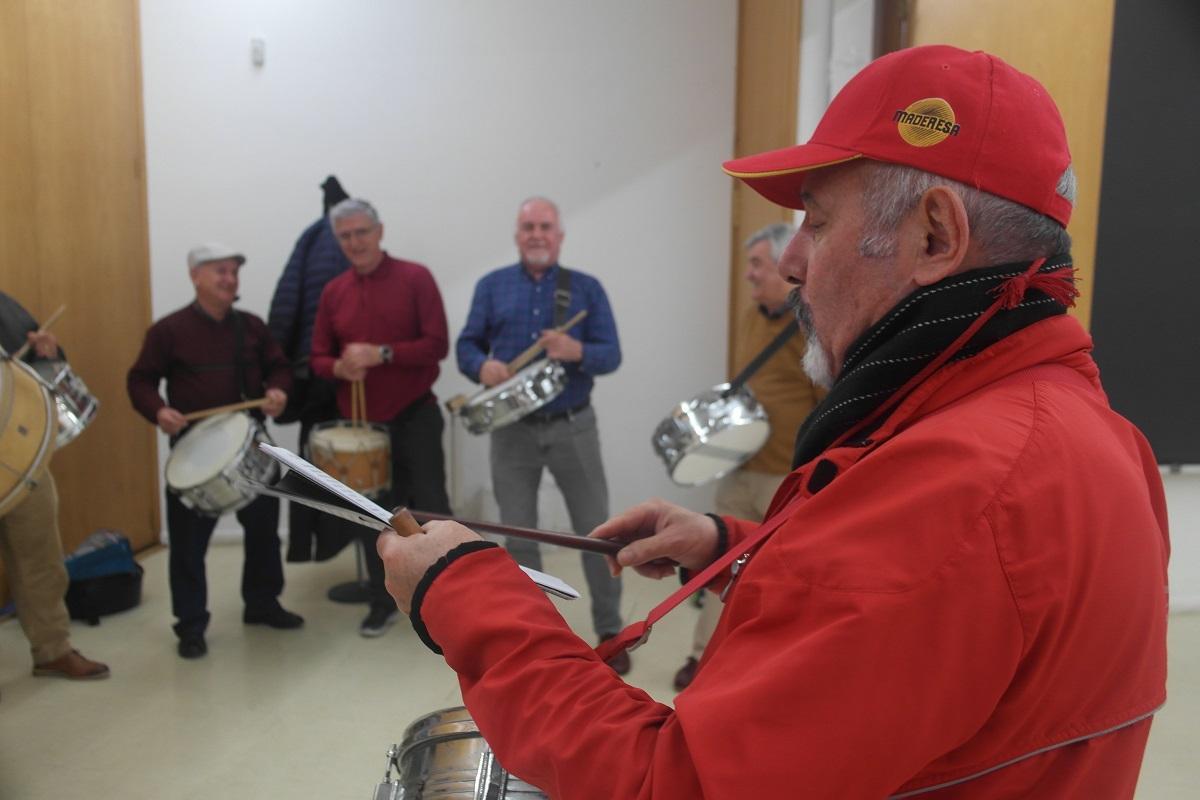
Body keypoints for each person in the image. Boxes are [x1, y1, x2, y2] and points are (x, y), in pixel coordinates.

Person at [376, 46, 1170, 798]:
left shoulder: (962, 486)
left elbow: (675, 784)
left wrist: (463, 593)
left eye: (817, 222)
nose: (790, 262)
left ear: (934, 235)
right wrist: (733, 551)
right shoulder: (1094, 439)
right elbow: (915, 649)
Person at [455, 197, 628, 674]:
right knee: (519, 533)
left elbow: (611, 354)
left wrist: (577, 350)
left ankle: (611, 631)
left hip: (574, 425)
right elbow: (465, 345)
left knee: (596, 532)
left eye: (545, 227)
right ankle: (535, 634)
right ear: (517, 235)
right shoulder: (491, 287)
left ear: (559, 236)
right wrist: (480, 366)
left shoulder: (586, 290)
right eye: (528, 226)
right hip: (512, 433)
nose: (536, 234)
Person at [127, 243, 302, 660]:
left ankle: (262, 603)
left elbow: (280, 367)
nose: (229, 279)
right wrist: (159, 411)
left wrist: (278, 390)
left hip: (251, 444)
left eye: (233, 272)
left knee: (263, 528)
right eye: (220, 271)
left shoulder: (252, 327)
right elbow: (140, 381)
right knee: (188, 544)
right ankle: (190, 624)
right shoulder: (167, 331)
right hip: (194, 451)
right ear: (196, 276)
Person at [672, 222, 824, 690]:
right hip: (739, 466)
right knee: (721, 567)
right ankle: (702, 656)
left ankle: (775, 664)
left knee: (783, 575)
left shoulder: (815, 320)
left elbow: (825, 397)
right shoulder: (750, 316)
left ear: (785, 266)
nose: (750, 275)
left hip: (788, 471)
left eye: (758, 264)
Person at [309, 198, 452, 637]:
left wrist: (381, 354)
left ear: (380, 231)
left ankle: (450, 604)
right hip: (364, 428)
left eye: (361, 233)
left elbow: (437, 346)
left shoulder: (416, 277)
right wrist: (338, 367)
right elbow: (317, 357)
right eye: (346, 236)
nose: (355, 242)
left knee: (431, 516)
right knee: (371, 518)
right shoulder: (334, 291)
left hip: (415, 417)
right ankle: (382, 600)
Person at [0, 293, 110, 682]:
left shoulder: (6, 305)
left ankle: (53, 650)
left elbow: (39, 363)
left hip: (21, 453)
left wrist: (49, 352)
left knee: (42, 560)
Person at [267, 176, 352, 563]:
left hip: (315, 371)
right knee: (345, 466)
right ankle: (338, 544)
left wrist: (280, 361)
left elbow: (285, 307)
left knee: (319, 462)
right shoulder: (338, 240)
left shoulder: (312, 238)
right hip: (336, 377)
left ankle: (314, 544)